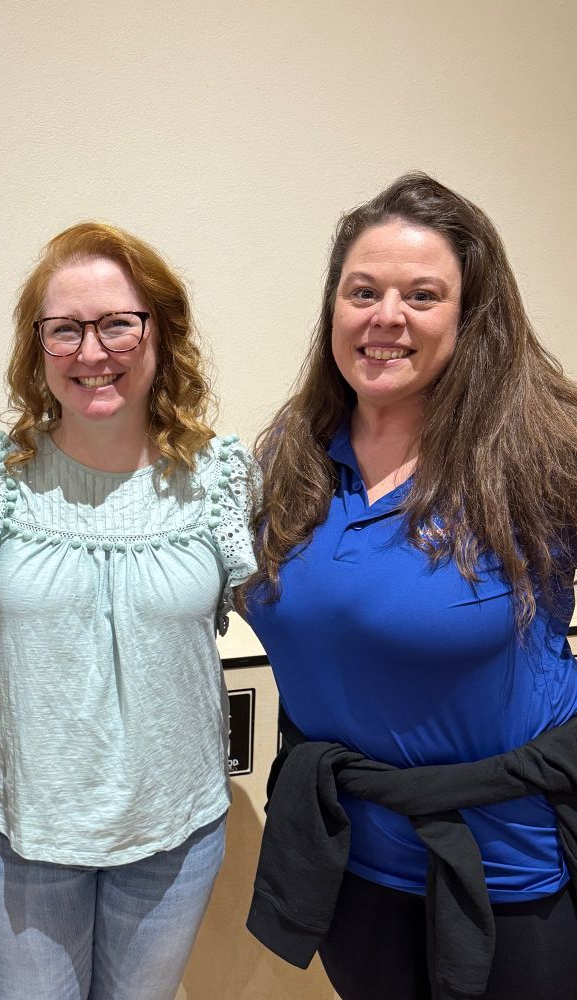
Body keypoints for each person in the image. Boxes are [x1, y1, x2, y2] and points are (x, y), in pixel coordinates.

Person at [241, 173, 577, 1000]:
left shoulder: (542, 451)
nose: (385, 317)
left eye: (422, 295)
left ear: (470, 315)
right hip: (352, 864)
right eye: (364, 291)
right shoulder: (293, 452)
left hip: (507, 872)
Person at [0, 222, 259, 1000]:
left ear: (159, 333)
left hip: (173, 834)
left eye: (117, 323)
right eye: (65, 329)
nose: (91, 350)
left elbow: (293, 620)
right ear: (37, 347)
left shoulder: (220, 477)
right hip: (26, 836)